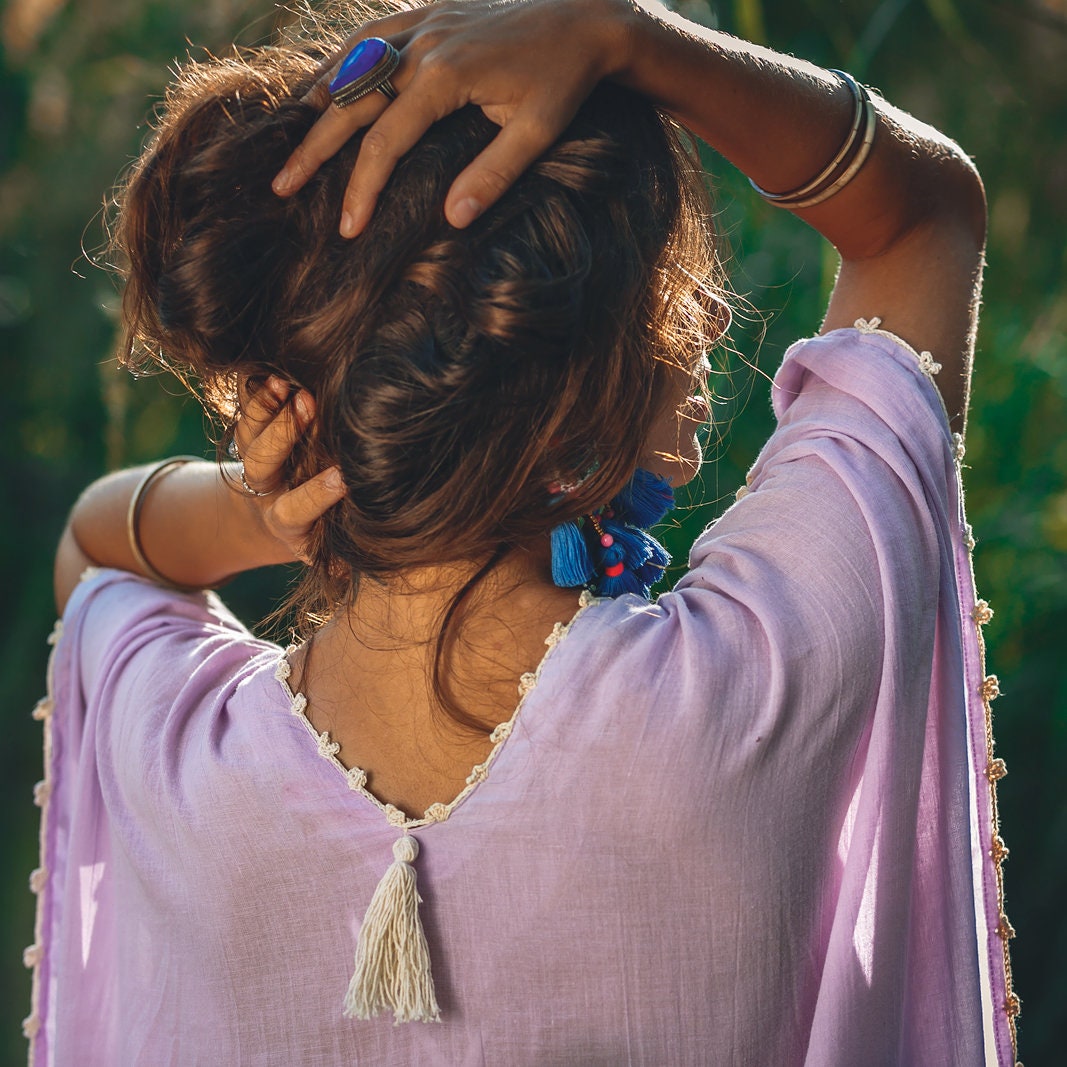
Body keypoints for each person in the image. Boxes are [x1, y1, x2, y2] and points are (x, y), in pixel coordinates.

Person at [26, 0, 1018, 1062]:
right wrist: (631, 36)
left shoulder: (180, 755)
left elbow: (98, 550)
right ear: (570, 384)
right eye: (669, 284)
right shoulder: (760, 677)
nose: (710, 317)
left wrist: (276, 501)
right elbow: (921, 218)